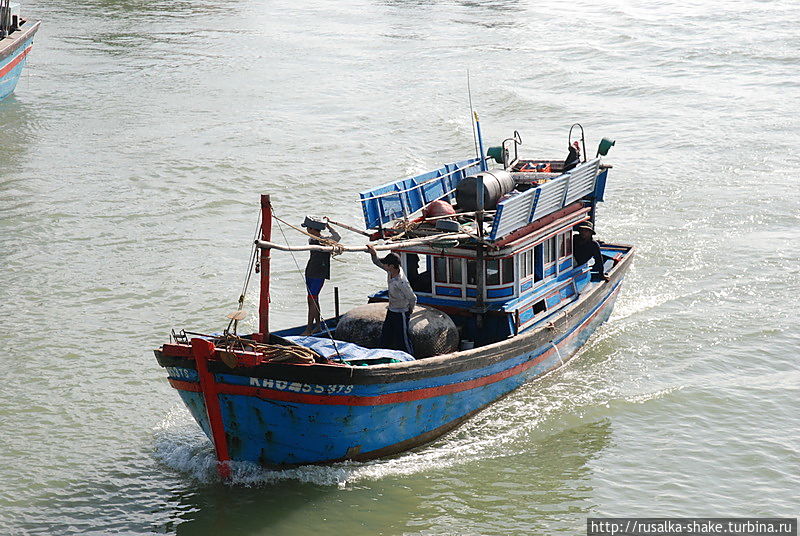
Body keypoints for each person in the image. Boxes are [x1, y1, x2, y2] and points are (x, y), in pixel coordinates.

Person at [365, 244, 416, 354]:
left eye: (386, 265)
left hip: (401, 312)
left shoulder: (401, 282)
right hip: (392, 310)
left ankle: (409, 358)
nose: (384, 266)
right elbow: (378, 262)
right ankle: (382, 354)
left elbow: (412, 298)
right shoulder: (390, 271)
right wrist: (374, 254)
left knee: (403, 340)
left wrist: (410, 310)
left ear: (392, 266)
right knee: (385, 336)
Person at [302, 216, 341, 335]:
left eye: (308, 228)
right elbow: (336, 237)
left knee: (312, 300)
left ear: (312, 229)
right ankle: (317, 326)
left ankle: (309, 329)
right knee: (313, 299)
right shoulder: (313, 240)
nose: (307, 230)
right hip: (311, 271)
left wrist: (328, 225)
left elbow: (337, 238)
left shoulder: (326, 241)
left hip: (318, 273)